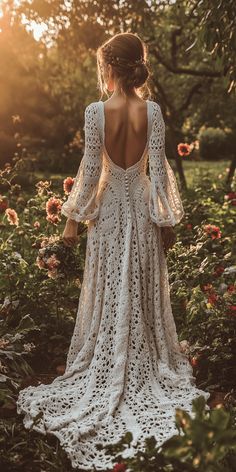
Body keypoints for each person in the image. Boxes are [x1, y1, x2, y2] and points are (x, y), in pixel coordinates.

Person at [17, 32, 209, 471]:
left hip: (107, 216)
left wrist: (69, 230)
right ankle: (143, 358)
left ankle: (107, 360)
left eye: (103, 66)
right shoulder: (153, 112)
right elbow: (158, 171)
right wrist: (166, 222)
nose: (101, 73)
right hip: (141, 211)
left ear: (112, 67)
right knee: (138, 285)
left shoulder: (95, 113)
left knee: (108, 289)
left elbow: (89, 173)